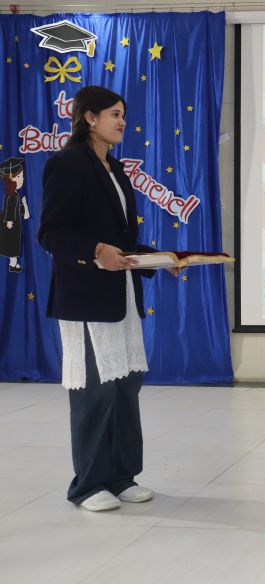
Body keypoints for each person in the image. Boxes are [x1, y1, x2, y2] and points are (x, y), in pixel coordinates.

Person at [38, 85, 176, 512]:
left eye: (123, 114)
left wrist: (162, 259)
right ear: (89, 118)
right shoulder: (66, 164)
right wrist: (96, 250)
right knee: (95, 392)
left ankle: (121, 476)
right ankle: (87, 485)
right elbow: (51, 234)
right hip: (86, 298)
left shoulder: (115, 169)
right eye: (114, 114)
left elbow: (123, 242)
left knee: (125, 387)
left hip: (121, 296)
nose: (122, 121)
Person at [0, 157, 29, 273]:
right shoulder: (13, 195)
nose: (22, 179)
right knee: (12, 244)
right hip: (10, 224)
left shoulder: (12, 194)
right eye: (18, 177)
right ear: (11, 178)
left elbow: (14, 209)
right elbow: (10, 209)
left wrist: (24, 207)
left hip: (10, 222)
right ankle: (13, 265)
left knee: (12, 244)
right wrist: (9, 221)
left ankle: (13, 264)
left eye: (22, 176)